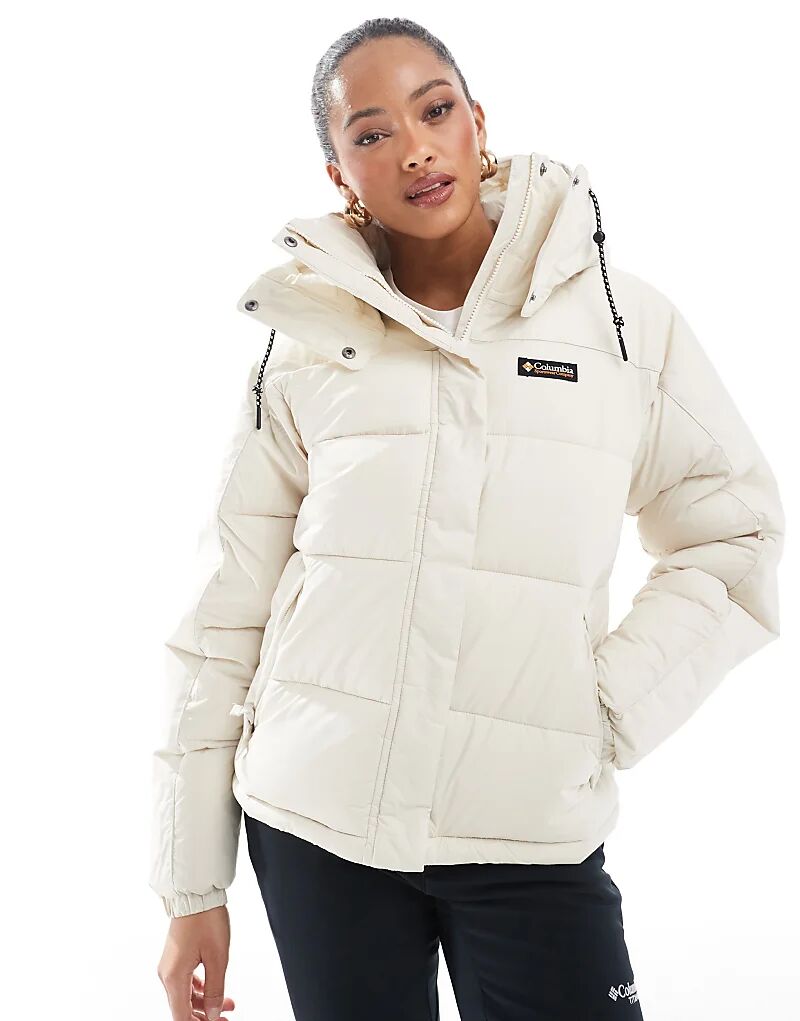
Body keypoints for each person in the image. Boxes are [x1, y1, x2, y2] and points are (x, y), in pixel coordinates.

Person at [151, 17, 785, 1021]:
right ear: (339, 175)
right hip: (317, 823)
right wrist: (191, 886)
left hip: (527, 828)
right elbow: (223, 614)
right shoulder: (306, 345)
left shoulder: (623, 325)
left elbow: (734, 530)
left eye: (434, 109)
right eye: (371, 132)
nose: (413, 147)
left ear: (477, 124)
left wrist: (601, 707)